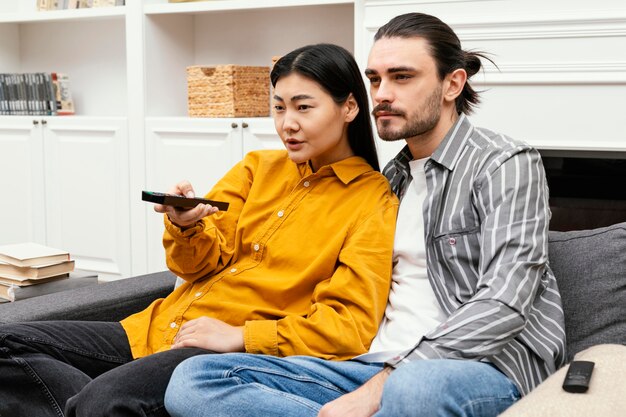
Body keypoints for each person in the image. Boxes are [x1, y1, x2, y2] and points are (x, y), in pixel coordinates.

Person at [164, 12, 567, 417]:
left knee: (415, 389)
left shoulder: (503, 163)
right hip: (365, 365)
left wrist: (383, 386)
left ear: (453, 84)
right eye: (375, 79)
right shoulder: (387, 181)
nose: (382, 94)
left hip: (478, 369)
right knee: (195, 379)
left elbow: (505, 301)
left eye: (402, 77)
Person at [0, 43, 399, 417]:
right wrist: (185, 224)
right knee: (8, 341)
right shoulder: (257, 168)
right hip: (153, 329)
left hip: (215, 359)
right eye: (278, 107)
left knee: (106, 399)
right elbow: (194, 267)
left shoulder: (372, 201)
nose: (287, 124)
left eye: (303, 107)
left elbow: (349, 326)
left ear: (349, 108)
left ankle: (100, 401)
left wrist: (241, 336)